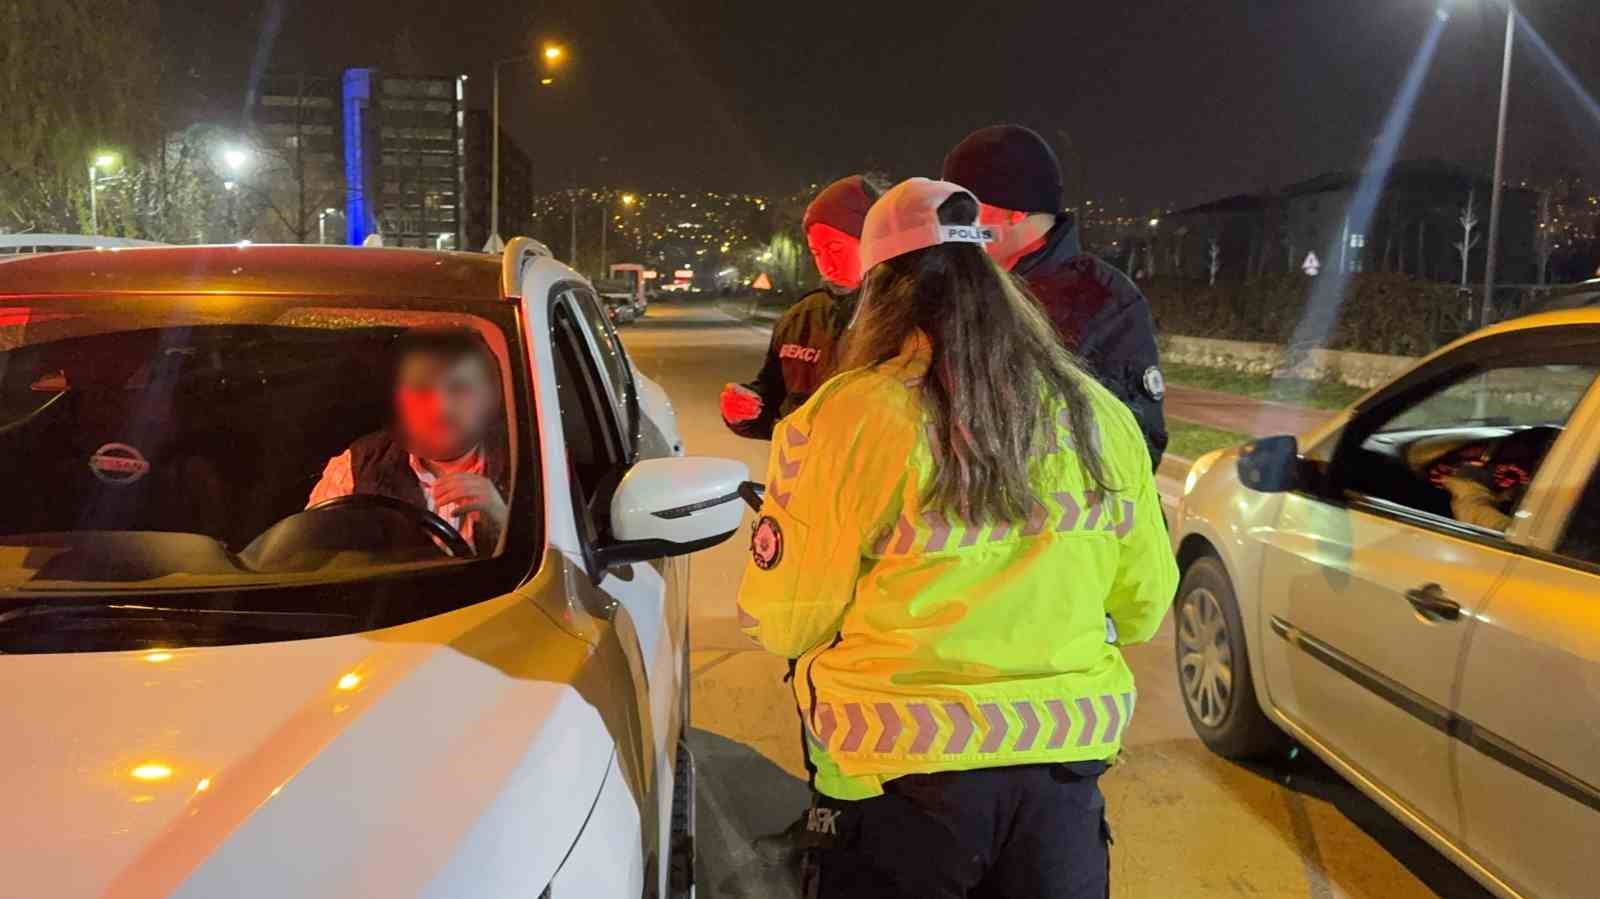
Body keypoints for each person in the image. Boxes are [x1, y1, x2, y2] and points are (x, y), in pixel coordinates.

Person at [735, 178, 1177, 898]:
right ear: (995, 281)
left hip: (897, 789)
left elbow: (787, 618)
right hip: (1060, 788)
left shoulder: (849, 416)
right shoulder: (1097, 412)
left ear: (880, 286)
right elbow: (1145, 606)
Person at [943, 124, 1169, 469]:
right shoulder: (961, 288)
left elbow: (1137, 443)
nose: (951, 226)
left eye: (964, 212)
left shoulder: (1105, 301)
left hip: (1057, 517)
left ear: (1013, 212)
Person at [308, 326, 509, 556]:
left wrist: (503, 521)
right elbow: (308, 555)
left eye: (460, 388)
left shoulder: (535, 458)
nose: (441, 408)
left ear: (488, 394)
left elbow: (551, 568)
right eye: (420, 390)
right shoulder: (357, 465)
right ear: (397, 399)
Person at [720, 174, 886, 439]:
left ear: (874, 242)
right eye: (817, 252)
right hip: (804, 476)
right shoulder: (801, 317)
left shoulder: (906, 316)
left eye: (835, 248)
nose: (827, 265)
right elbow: (774, 398)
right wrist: (746, 412)